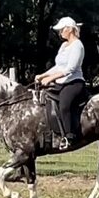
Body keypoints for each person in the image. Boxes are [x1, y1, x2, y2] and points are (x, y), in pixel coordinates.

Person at [35, 16, 85, 150]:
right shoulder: (64, 45)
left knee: (64, 105)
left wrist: (50, 79)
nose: (60, 32)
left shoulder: (77, 46)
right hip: (61, 82)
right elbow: (58, 66)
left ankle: (69, 136)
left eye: (62, 30)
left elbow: (70, 69)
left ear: (69, 29)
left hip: (74, 82)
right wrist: (43, 75)